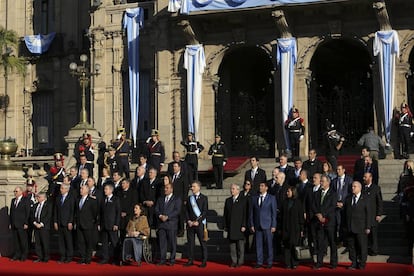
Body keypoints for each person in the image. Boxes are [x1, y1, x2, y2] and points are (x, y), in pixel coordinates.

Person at [249, 182, 277, 269]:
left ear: (266, 188)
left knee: (269, 244)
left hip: (268, 225)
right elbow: (251, 213)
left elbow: (274, 213)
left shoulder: (271, 198)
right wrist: (252, 224)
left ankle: (269, 262)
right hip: (257, 225)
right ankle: (259, 261)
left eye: (262, 186)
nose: (260, 187)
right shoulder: (254, 198)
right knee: (258, 245)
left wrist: (273, 225)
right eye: (259, 186)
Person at [312, 175, 338, 270]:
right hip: (319, 222)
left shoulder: (333, 193)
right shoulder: (317, 193)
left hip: (329, 222)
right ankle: (319, 262)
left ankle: (333, 263)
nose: (321, 183)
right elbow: (314, 205)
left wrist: (323, 215)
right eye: (321, 181)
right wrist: (318, 214)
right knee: (320, 243)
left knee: (332, 243)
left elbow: (332, 206)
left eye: (323, 181)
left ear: (328, 182)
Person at [344, 181, 370, 270]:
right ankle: (354, 263)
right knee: (351, 247)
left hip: (361, 227)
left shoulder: (365, 198)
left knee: (362, 246)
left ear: (359, 188)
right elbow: (345, 213)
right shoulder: (348, 199)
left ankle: (362, 263)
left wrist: (368, 227)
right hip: (350, 227)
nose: (352, 188)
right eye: (352, 186)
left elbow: (368, 214)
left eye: (354, 186)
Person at [155, 183, 181, 266]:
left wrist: (168, 217)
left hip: (171, 224)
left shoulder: (176, 199)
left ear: (171, 189)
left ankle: (172, 260)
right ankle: (162, 259)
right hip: (162, 224)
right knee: (162, 243)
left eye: (167, 188)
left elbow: (177, 211)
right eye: (165, 188)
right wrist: (160, 216)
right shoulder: (160, 199)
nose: (165, 189)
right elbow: (156, 209)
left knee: (172, 243)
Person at [184, 180, 208, 268]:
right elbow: (186, 211)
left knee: (202, 243)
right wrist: (188, 221)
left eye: (194, 186)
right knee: (190, 243)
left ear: (198, 187)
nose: (192, 188)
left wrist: (198, 221)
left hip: (200, 224)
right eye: (192, 187)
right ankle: (190, 260)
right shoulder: (189, 198)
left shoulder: (204, 198)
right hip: (190, 224)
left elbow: (205, 212)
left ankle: (204, 261)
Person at [223, 184, 247, 268]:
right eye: (231, 189)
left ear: (238, 190)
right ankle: (234, 261)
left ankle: (240, 261)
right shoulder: (228, 200)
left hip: (239, 226)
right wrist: (225, 225)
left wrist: (244, 225)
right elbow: (225, 214)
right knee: (232, 246)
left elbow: (245, 214)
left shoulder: (243, 200)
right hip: (231, 226)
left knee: (240, 246)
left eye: (233, 189)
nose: (231, 190)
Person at [281, 186, 304, 270]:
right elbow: (282, 215)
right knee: (287, 246)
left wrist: (302, 228)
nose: (287, 193)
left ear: (293, 192)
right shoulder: (285, 202)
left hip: (295, 228)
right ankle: (287, 263)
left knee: (295, 245)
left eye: (289, 191)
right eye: (287, 191)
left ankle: (294, 263)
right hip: (286, 227)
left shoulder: (298, 203)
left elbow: (301, 216)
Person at [75, 185, 98, 264]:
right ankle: (82, 257)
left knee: (88, 242)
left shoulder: (92, 200)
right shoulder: (78, 199)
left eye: (82, 189)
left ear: (87, 190)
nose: (80, 190)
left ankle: (88, 259)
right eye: (80, 188)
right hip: (79, 224)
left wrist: (91, 222)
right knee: (80, 242)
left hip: (88, 225)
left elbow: (95, 213)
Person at [331, 165, 353, 248]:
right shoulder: (334, 181)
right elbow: (332, 193)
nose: (338, 171)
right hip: (336, 206)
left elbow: (350, 193)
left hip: (345, 205)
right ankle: (339, 240)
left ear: (344, 170)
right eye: (337, 170)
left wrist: (343, 203)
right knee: (338, 223)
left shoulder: (349, 180)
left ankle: (346, 240)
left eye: (339, 169)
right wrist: (336, 202)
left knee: (345, 224)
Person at [99, 184, 121, 265]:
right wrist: (99, 223)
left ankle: (116, 259)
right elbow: (101, 213)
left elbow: (118, 212)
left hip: (112, 225)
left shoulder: (116, 199)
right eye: (104, 189)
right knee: (104, 243)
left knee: (114, 243)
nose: (105, 190)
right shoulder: (103, 199)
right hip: (104, 225)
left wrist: (116, 224)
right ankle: (105, 258)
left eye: (106, 189)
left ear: (111, 190)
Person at [362, 172, 383, 256]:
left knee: (373, 234)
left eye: (366, 177)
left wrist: (379, 214)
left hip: (373, 215)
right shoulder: (362, 188)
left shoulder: (376, 188)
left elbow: (379, 202)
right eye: (364, 177)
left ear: (370, 178)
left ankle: (374, 250)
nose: (364, 178)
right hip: (364, 216)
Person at [54, 183, 75, 263]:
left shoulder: (71, 198)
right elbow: (56, 210)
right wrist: (55, 221)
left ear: (67, 189)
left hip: (67, 223)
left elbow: (72, 211)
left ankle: (69, 257)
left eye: (62, 188)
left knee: (68, 241)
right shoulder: (58, 198)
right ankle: (62, 256)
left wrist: (70, 221)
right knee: (61, 241)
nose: (60, 189)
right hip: (59, 222)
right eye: (60, 188)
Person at [9, 186, 31, 262]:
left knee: (23, 241)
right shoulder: (13, 200)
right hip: (14, 224)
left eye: (16, 191)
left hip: (22, 224)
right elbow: (11, 212)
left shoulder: (26, 200)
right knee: (16, 241)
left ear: (21, 192)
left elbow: (28, 212)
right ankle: (17, 254)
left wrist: (26, 223)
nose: (15, 193)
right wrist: (10, 223)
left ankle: (24, 255)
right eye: (14, 191)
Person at [32, 192, 52, 263]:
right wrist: (35, 223)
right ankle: (39, 257)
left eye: (39, 197)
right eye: (37, 197)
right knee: (37, 243)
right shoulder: (35, 205)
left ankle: (46, 257)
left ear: (44, 197)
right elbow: (32, 215)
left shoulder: (48, 205)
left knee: (45, 242)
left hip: (44, 227)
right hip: (36, 226)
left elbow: (48, 216)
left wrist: (41, 224)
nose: (38, 198)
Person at [118, 179, 138, 248]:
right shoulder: (119, 192)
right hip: (121, 217)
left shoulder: (133, 192)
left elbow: (134, 204)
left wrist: (126, 213)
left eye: (124, 183)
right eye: (122, 183)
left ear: (128, 184)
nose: (122, 185)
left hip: (129, 216)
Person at [171, 161, 189, 237]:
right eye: (173, 167)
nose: (174, 168)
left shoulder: (183, 176)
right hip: (172, 199)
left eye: (175, 166)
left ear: (179, 167)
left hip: (180, 199)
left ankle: (181, 230)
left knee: (180, 215)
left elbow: (186, 188)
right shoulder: (172, 176)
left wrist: (184, 199)